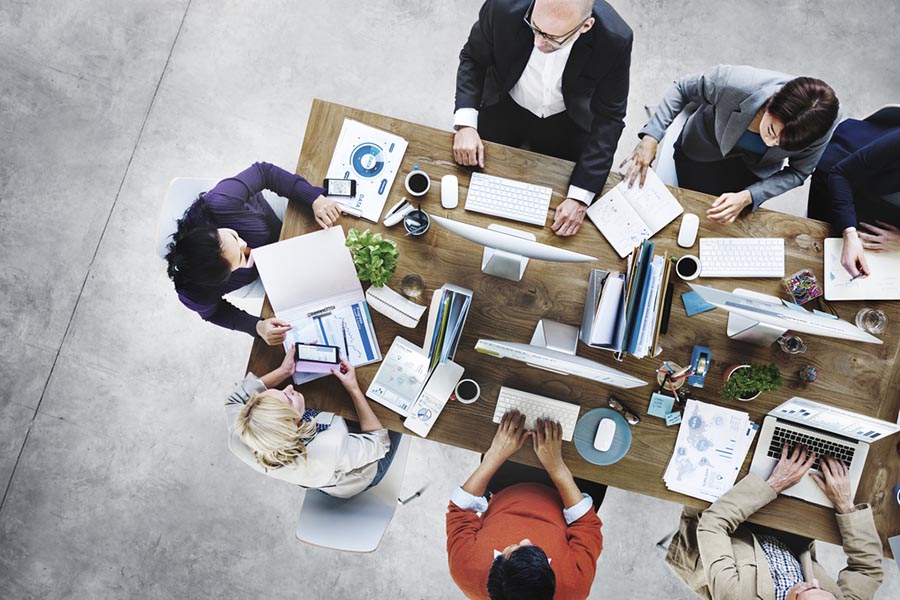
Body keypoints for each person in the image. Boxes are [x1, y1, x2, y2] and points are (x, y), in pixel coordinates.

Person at [452, 0, 632, 237]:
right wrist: (465, 124)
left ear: (585, 26)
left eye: (552, 38)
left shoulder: (615, 39)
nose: (538, 42)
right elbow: (473, 59)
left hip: (567, 122)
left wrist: (580, 196)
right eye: (535, 27)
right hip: (504, 106)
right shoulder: (501, 6)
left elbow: (609, 117)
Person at [625, 65, 841, 225]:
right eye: (771, 131)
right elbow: (682, 88)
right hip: (701, 151)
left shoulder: (821, 126)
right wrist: (651, 137)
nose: (772, 143)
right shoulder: (734, 83)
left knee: (727, 221)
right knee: (688, 207)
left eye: (785, 144)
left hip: (754, 172)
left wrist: (749, 196)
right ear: (770, 105)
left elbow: (798, 172)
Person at [665, 445, 884, 600]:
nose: (815, 582)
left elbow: (713, 523)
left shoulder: (736, 596)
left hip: (724, 527)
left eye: (807, 589)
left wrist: (774, 484)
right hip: (781, 532)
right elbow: (868, 570)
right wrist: (845, 503)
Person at [165, 162, 343, 345]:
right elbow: (214, 312)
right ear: (223, 278)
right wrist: (257, 326)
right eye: (241, 257)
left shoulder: (220, 201)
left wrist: (314, 199)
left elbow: (264, 172)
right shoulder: (194, 294)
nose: (245, 244)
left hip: (269, 218)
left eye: (234, 237)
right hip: (259, 273)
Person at [446, 411, 604, 600]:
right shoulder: (575, 588)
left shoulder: (465, 571)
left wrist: (496, 454)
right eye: (536, 549)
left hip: (507, 484)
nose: (526, 539)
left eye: (514, 547)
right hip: (572, 495)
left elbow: (460, 511)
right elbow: (587, 525)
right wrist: (557, 468)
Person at [225, 350, 401, 498]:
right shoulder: (330, 447)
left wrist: (284, 372)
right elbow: (380, 443)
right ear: (292, 426)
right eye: (288, 398)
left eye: (278, 391)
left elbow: (235, 401)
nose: (290, 388)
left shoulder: (241, 431)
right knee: (397, 413)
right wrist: (353, 388)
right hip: (361, 470)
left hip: (317, 473)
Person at [806, 109, 900, 277]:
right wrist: (849, 233)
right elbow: (841, 174)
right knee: (818, 246)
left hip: (886, 212)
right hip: (845, 177)